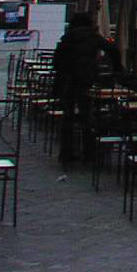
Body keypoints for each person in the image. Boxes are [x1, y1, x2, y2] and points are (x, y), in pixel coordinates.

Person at [52, 11, 121, 163]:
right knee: (87, 116)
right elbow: (113, 50)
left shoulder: (68, 38)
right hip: (86, 80)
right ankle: (89, 152)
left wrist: (62, 72)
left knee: (68, 117)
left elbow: (57, 60)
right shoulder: (93, 37)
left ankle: (66, 152)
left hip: (68, 79)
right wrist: (116, 69)